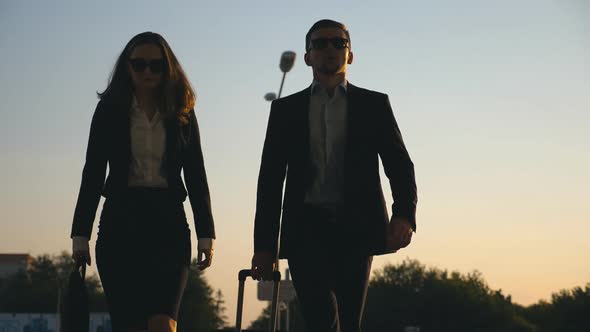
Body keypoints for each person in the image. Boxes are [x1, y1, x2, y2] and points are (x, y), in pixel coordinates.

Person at [251, 19, 417, 332]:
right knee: (319, 319)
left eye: (338, 43)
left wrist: (404, 215)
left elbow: (399, 163)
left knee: (349, 322)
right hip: (306, 230)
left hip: (357, 227)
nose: (330, 49)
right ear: (308, 56)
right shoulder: (286, 111)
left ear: (350, 54)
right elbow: (270, 181)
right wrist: (264, 246)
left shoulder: (373, 105)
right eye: (320, 43)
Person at [70, 32, 215, 332]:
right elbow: (93, 171)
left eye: (156, 65)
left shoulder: (182, 111)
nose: (147, 71)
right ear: (127, 67)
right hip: (120, 225)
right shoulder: (109, 110)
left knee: (164, 323)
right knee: (129, 325)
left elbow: (196, 172)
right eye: (139, 64)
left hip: (169, 225)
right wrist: (80, 234)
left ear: (168, 68)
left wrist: (206, 233)